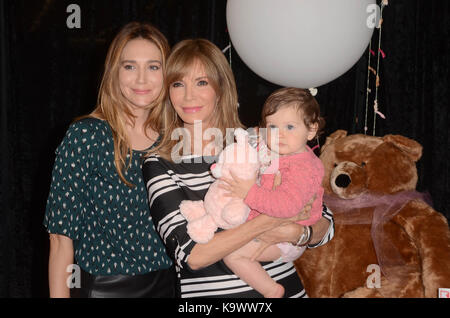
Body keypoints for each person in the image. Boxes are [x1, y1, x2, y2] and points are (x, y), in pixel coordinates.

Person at [142, 38, 334, 298]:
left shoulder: (259, 142)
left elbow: (324, 220)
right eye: (178, 84)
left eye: (201, 82)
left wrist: (300, 233)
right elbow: (193, 256)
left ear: (220, 89)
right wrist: (271, 220)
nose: (189, 96)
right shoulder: (159, 163)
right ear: (168, 92)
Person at [43, 22, 177, 298]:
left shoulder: (176, 137)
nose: (141, 79)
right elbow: (60, 239)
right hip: (105, 288)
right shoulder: (86, 136)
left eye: (153, 67)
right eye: (129, 66)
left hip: (170, 285)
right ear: (114, 73)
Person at [220, 87, 326, 298]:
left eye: (290, 126)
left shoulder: (302, 167)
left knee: (233, 255)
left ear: (312, 130)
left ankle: (271, 290)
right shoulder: (283, 154)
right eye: (272, 127)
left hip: (286, 240)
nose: (279, 135)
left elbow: (287, 206)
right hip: (278, 230)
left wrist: (249, 192)